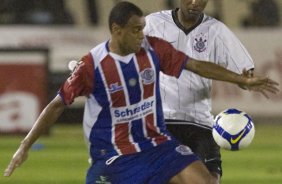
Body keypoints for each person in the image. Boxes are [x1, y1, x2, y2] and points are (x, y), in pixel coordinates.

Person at [4, 1, 279, 184]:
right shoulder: (98, 61)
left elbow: (195, 65)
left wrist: (240, 79)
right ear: (118, 30)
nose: (142, 35)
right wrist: (25, 145)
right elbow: (56, 104)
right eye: (137, 30)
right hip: (131, 141)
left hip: (179, 130)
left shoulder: (161, 46)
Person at [144, 0, 276, 183]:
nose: (195, 3)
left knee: (211, 180)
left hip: (200, 122)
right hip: (162, 122)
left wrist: (247, 81)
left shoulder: (216, 30)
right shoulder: (153, 24)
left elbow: (244, 72)